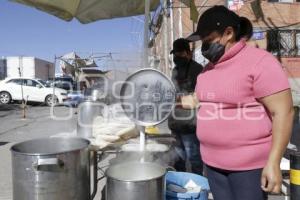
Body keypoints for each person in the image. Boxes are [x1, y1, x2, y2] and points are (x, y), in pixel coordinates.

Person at [182, 5, 294, 200]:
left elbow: (283, 112)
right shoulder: (207, 71)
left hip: (248, 168)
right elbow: (202, 100)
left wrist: (274, 162)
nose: (204, 48)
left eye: (208, 41)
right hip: (213, 164)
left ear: (228, 33)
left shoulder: (260, 63)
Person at [168, 38, 204, 174]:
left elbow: (199, 97)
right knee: (179, 158)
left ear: (189, 53)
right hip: (175, 123)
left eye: (180, 53)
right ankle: (180, 183)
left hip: (190, 124)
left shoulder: (198, 70)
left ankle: (197, 183)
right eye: (175, 54)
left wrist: (177, 100)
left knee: (194, 158)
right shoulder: (174, 71)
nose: (177, 57)